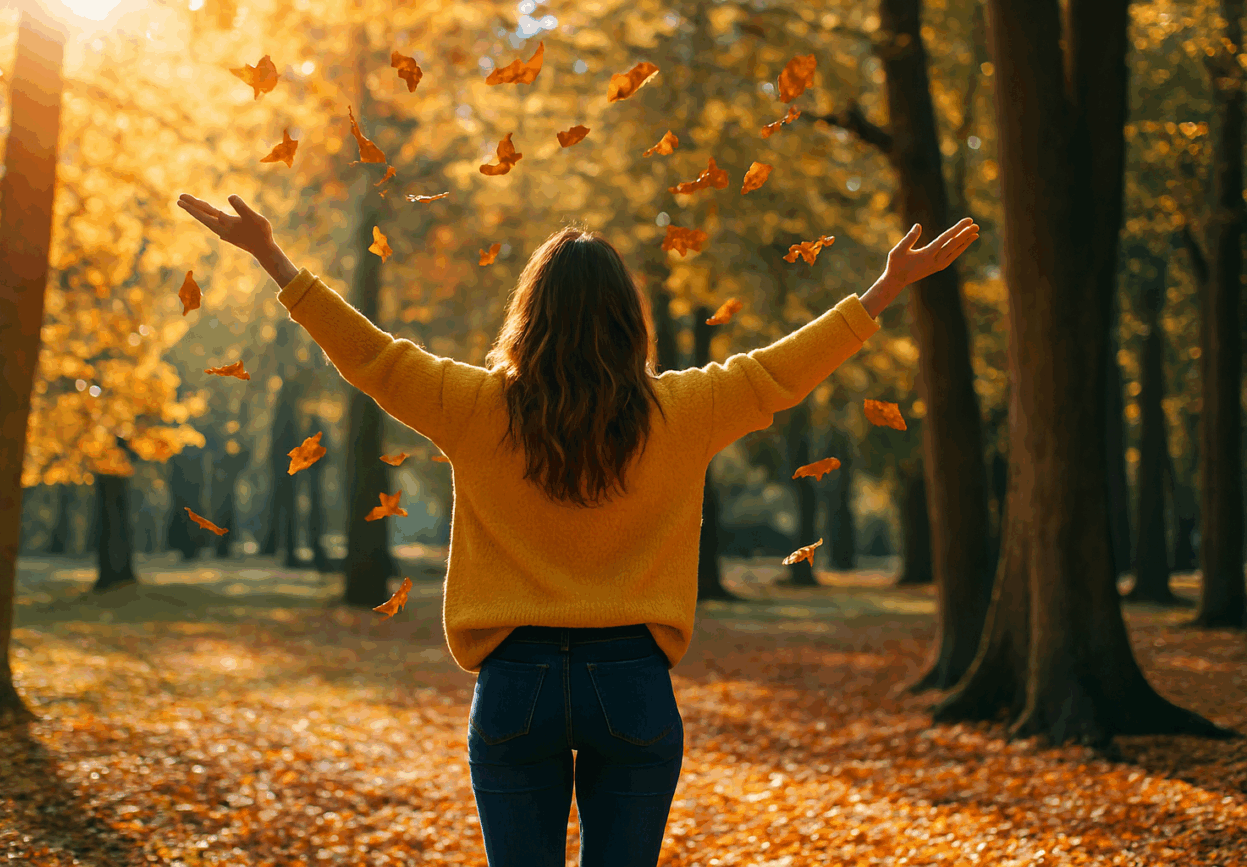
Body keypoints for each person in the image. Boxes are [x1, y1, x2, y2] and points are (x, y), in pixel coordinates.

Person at [177, 192, 978, 866]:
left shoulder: (475, 405)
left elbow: (373, 359)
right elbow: (780, 372)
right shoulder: (683, 409)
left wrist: (275, 260)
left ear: (529, 313)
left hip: (515, 680)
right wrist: (880, 289)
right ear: (630, 320)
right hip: (631, 682)